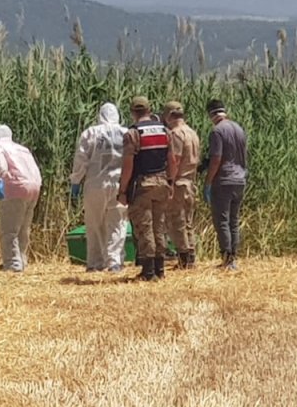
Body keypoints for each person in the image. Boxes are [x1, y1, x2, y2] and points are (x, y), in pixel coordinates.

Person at [118, 96, 178, 281]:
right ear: (149, 110)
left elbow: (128, 165)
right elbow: (172, 160)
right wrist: (171, 181)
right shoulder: (165, 131)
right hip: (162, 183)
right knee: (159, 226)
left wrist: (122, 190)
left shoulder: (133, 134)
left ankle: (148, 271)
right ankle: (160, 270)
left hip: (142, 185)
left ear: (133, 112)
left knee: (144, 228)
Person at [69, 103, 127, 272]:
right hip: (119, 183)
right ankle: (115, 261)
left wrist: (75, 180)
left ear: (100, 115)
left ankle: (95, 262)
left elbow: (81, 158)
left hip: (95, 183)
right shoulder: (125, 134)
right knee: (117, 222)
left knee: (94, 223)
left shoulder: (91, 132)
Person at [0, 125, 42, 272]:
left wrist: (0, 180)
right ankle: (21, 261)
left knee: (9, 231)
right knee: (23, 229)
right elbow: (34, 169)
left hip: (15, 188)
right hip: (35, 187)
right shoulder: (22, 149)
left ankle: (12, 265)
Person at [203, 98, 248, 271]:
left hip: (224, 180)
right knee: (234, 220)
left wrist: (208, 182)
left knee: (221, 220)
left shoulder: (217, 131)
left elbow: (216, 158)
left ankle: (227, 258)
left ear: (211, 114)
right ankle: (233, 256)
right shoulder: (238, 129)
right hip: (240, 179)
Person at [163, 101, 201, 269]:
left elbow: (175, 161)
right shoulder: (192, 133)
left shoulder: (176, 134)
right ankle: (191, 255)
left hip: (179, 182)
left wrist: (169, 181)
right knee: (187, 221)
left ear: (169, 115)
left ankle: (184, 258)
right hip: (190, 182)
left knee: (176, 221)